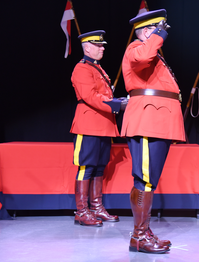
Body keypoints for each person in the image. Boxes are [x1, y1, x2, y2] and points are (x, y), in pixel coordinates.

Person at [121, 9, 185, 254]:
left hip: (157, 121)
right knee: (145, 178)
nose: (163, 33)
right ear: (147, 30)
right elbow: (141, 59)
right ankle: (139, 235)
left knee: (149, 179)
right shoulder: (136, 48)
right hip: (147, 120)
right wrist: (157, 35)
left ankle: (143, 232)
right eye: (158, 28)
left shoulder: (150, 51)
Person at [70, 30, 127, 227]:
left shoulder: (97, 68)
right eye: (98, 45)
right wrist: (115, 104)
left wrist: (117, 103)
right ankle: (81, 211)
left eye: (102, 45)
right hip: (89, 125)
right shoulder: (82, 69)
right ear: (87, 47)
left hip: (103, 125)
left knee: (99, 167)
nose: (102, 48)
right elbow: (91, 96)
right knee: (86, 166)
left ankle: (96, 207)